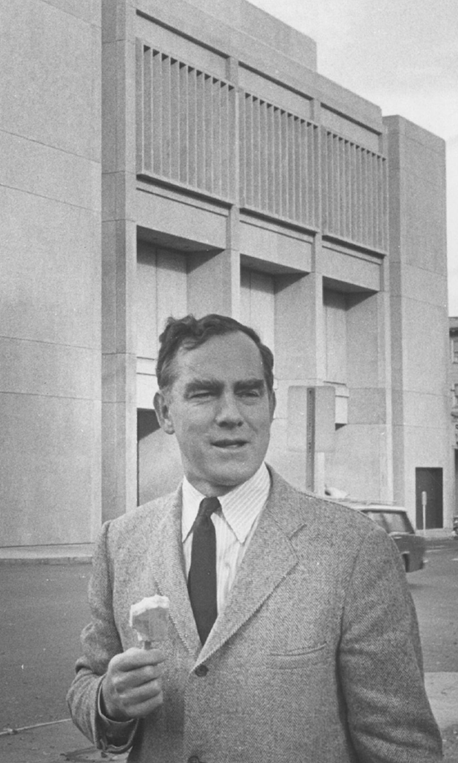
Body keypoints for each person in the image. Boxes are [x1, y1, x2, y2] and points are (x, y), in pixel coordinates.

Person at [67, 313, 441, 762]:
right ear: (165, 412)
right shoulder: (121, 541)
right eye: (204, 394)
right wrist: (108, 700)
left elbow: (400, 745)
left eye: (248, 392)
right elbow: (87, 682)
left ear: (270, 405)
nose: (231, 415)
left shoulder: (354, 549)